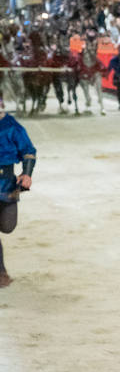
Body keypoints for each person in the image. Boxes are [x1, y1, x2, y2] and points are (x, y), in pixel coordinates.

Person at [0, 95, 36, 287]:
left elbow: (28, 150)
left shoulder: (11, 126)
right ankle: (1, 272)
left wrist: (27, 173)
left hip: (5, 184)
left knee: (7, 226)